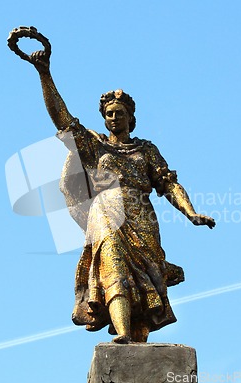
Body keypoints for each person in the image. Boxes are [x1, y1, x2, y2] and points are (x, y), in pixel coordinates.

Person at [24, 35, 215, 344]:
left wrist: (191, 213)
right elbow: (62, 118)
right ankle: (123, 334)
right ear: (104, 117)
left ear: (131, 117)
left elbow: (168, 183)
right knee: (112, 264)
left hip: (142, 216)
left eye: (120, 113)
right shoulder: (94, 145)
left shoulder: (146, 150)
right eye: (109, 113)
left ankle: (138, 336)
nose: (114, 118)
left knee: (145, 277)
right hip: (107, 213)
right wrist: (44, 74)